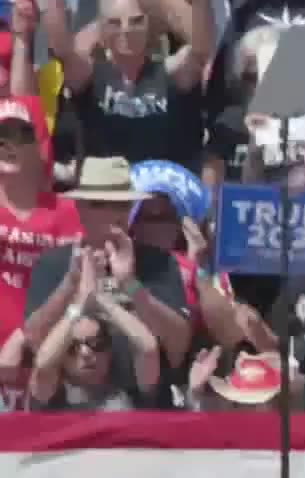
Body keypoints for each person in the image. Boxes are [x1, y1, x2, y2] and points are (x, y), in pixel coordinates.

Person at [37, 0, 217, 170]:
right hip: (108, 194)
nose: (126, 30)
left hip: (162, 197)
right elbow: (62, 48)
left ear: (149, 24)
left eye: (136, 21)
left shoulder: (169, 72)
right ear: (100, 30)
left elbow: (200, 50)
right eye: (114, 22)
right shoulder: (90, 77)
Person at [24, 157, 190, 407]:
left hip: (142, 409)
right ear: (80, 208)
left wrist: (131, 284)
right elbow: (34, 340)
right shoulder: (55, 263)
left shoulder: (159, 262)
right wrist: (71, 284)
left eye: (122, 205)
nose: (113, 214)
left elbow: (178, 347)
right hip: (67, 412)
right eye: (100, 204)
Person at [0, 97, 82, 408]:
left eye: (21, 136)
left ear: (40, 146)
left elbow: (81, 287)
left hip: (51, 369)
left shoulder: (70, 212)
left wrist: (23, 337)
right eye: (1, 137)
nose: (9, 146)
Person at [29, 253, 160, 412]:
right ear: (61, 356)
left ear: (109, 349)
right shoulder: (51, 393)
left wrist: (102, 299)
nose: (86, 353)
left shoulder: (129, 387)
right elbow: (42, 363)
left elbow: (149, 347)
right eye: (72, 347)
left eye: (96, 343)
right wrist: (80, 302)